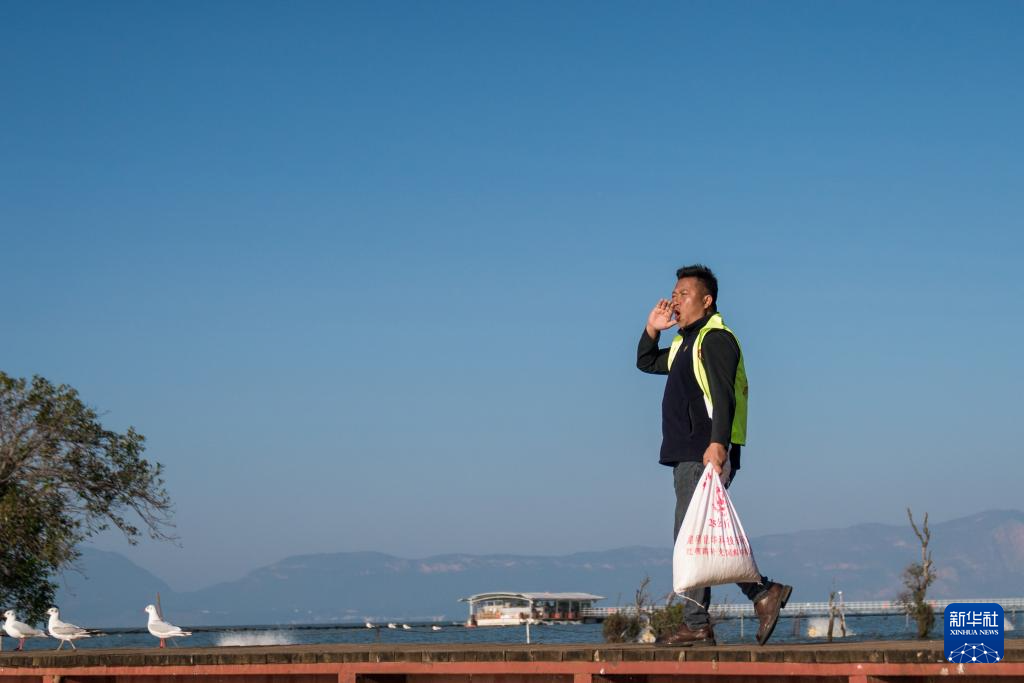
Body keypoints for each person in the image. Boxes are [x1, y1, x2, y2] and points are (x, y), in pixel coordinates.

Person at [636, 263, 792, 646]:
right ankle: (761, 594)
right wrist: (653, 328)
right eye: (674, 293)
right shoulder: (684, 343)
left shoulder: (715, 339)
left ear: (707, 301)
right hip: (688, 451)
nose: (675, 299)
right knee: (699, 537)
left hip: (703, 449)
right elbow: (645, 362)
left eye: (683, 294)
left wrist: (718, 443)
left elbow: (722, 394)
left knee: (689, 538)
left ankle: (698, 623)